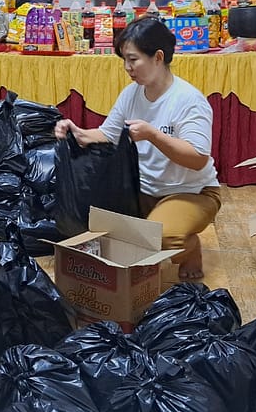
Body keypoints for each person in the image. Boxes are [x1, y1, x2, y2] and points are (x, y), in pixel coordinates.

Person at [55, 17, 220, 280]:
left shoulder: (189, 101)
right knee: (101, 233)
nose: (127, 68)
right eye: (124, 60)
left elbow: (198, 158)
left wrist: (153, 135)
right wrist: (77, 132)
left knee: (161, 239)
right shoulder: (131, 94)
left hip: (191, 192)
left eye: (133, 60)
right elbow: (107, 135)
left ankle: (189, 249)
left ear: (158, 57)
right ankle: (154, 227)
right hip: (142, 191)